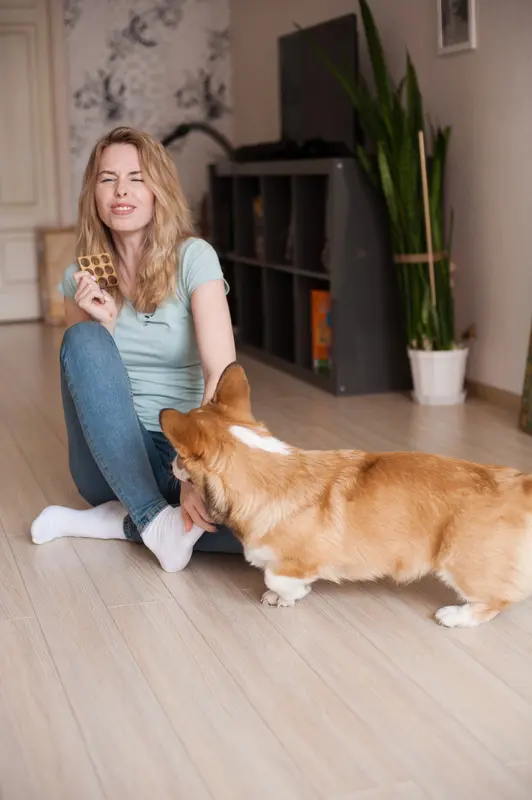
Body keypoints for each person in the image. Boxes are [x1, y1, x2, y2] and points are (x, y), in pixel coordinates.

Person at [31, 126, 241, 571]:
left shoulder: (194, 258)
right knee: (83, 339)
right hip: (111, 461)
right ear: (94, 193)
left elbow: (220, 376)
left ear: (158, 191)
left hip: (185, 448)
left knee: (260, 534)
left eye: (136, 177)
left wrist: (192, 472)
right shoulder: (79, 280)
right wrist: (104, 327)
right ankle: (148, 514)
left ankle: (121, 522)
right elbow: (88, 386)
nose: (121, 190)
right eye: (107, 179)